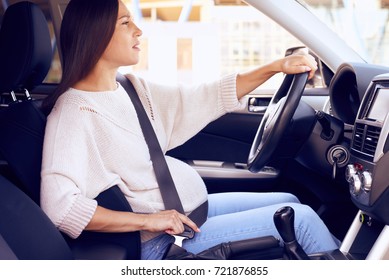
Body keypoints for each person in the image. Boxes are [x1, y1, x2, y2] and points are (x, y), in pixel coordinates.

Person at [40, 0, 339, 260]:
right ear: (97, 33)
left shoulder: (130, 88)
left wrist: (275, 67)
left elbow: (203, 97)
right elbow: (59, 206)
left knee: (290, 202)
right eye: (125, 22)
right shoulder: (73, 111)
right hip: (162, 244)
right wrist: (146, 222)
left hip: (187, 215)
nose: (138, 30)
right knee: (301, 221)